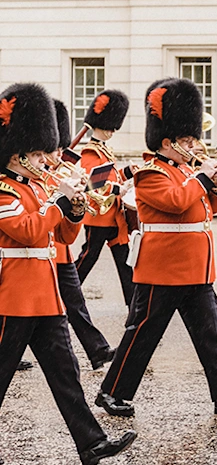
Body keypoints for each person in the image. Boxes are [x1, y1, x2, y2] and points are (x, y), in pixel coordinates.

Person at [96, 79, 217, 418]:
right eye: (187, 139)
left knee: (210, 336)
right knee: (143, 334)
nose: (193, 144)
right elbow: (176, 203)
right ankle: (112, 393)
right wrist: (201, 179)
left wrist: (215, 187)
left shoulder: (186, 171)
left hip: (193, 267)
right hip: (163, 267)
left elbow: (205, 210)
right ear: (168, 140)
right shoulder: (150, 173)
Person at [0, 82, 136, 465]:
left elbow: (63, 236)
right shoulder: (4, 191)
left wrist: (75, 209)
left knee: (66, 374)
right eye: (40, 153)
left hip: (44, 296)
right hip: (14, 297)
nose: (46, 159)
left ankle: (91, 443)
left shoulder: (38, 187)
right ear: (19, 153)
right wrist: (58, 205)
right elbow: (26, 230)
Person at [47, 100, 114, 370]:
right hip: (36, 250)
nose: (56, 154)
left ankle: (97, 350)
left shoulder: (57, 170)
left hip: (59, 250)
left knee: (75, 302)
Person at [74, 89, 136, 308]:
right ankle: (66, 291)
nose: (112, 132)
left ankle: (134, 308)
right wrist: (118, 188)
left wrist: (130, 171)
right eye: (109, 127)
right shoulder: (91, 152)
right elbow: (94, 183)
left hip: (113, 216)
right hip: (99, 218)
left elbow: (112, 175)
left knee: (125, 263)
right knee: (87, 259)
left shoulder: (104, 151)